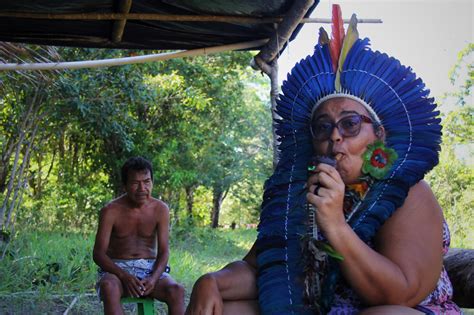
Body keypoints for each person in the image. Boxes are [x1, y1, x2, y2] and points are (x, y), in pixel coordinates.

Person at [186, 5, 460, 315]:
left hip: (400, 309)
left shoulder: (407, 193)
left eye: (350, 124)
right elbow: (266, 268)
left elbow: (400, 294)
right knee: (226, 307)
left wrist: (335, 225)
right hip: (324, 310)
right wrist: (211, 282)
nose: (335, 137)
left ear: (379, 134)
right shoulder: (304, 193)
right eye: (323, 127)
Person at [93, 156, 185, 315]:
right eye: (135, 183)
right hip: (117, 269)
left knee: (177, 290)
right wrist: (124, 276)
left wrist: (154, 278)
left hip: (150, 269)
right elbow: (98, 254)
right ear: (125, 185)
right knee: (109, 287)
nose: (142, 188)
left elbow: (164, 252)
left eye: (147, 182)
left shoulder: (160, 209)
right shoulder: (110, 211)